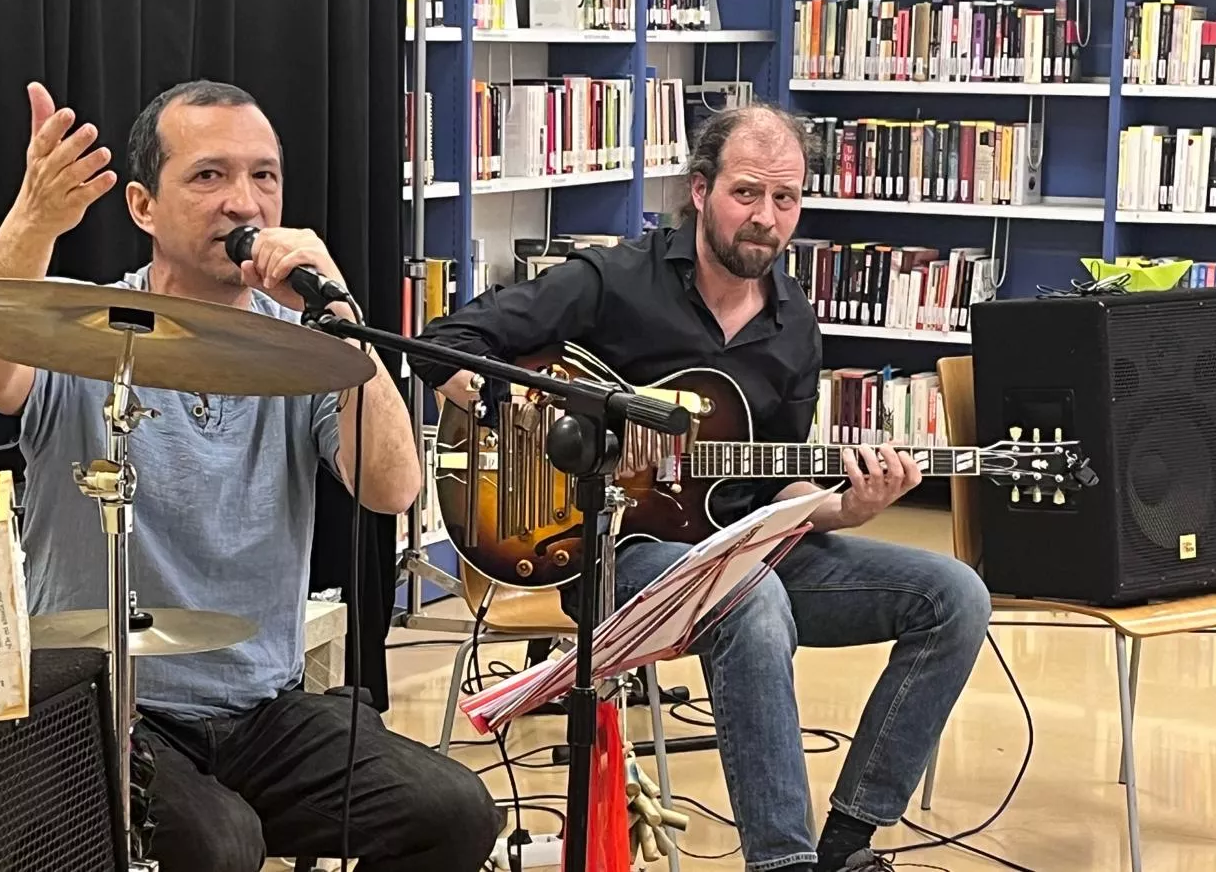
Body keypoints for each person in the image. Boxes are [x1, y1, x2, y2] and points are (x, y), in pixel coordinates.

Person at [411, 103, 992, 872]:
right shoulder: (614, 280)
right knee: (749, 595)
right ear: (699, 191)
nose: (766, 218)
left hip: (744, 546)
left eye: (785, 199)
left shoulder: (794, 325)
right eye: (746, 193)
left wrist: (845, 506)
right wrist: (554, 426)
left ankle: (847, 845)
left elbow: (783, 486)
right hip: (613, 551)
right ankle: (782, 864)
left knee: (955, 596)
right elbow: (444, 344)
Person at [0, 79, 501, 872]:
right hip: (105, 708)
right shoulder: (78, 325)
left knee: (452, 811)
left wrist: (342, 320)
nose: (244, 202)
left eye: (263, 176)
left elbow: (391, 488)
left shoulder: (304, 348)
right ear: (143, 206)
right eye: (209, 175)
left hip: (260, 711)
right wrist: (36, 218)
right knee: (219, 844)